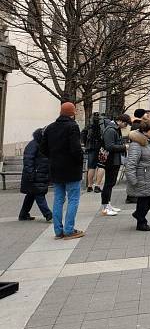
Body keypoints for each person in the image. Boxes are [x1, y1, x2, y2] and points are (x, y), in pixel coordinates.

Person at [40, 102, 84, 239]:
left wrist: (54, 158)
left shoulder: (50, 127)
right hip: (71, 169)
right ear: (72, 113)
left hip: (56, 168)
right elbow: (76, 148)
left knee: (58, 199)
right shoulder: (72, 126)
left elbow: (43, 148)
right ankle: (69, 230)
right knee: (73, 199)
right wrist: (80, 161)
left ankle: (58, 231)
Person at [126, 120, 150, 231]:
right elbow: (131, 163)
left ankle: (138, 214)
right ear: (145, 131)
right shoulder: (136, 144)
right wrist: (132, 179)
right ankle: (141, 222)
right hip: (143, 176)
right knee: (144, 199)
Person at [18, 128, 52, 222]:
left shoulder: (43, 145)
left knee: (31, 195)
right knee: (39, 194)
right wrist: (31, 174)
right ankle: (48, 214)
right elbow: (28, 160)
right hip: (35, 175)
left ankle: (23, 214)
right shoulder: (33, 144)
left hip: (39, 174)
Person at [100, 114, 131, 216]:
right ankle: (105, 207)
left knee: (111, 183)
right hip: (111, 160)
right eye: (125, 124)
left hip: (114, 160)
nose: (126, 126)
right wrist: (124, 147)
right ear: (120, 121)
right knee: (109, 183)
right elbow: (109, 146)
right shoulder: (111, 130)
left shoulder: (114, 129)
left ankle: (108, 204)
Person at [82, 112, 104, 193]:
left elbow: (83, 134)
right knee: (101, 166)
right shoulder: (102, 125)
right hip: (101, 147)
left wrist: (85, 143)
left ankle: (89, 186)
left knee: (91, 167)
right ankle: (97, 186)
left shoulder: (89, 125)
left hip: (91, 147)